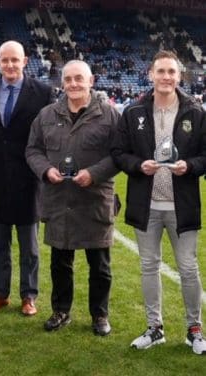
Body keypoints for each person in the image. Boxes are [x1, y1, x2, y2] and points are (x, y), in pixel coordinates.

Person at [111, 50, 206, 354]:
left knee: (189, 268)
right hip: (146, 204)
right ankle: (155, 328)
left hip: (183, 204)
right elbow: (119, 152)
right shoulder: (134, 111)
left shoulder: (195, 111)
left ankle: (195, 330)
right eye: (161, 71)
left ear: (179, 76)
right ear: (150, 74)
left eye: (172, 72)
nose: (166, 77)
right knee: (149, 267)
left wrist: (189, 166)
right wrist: (139, 165)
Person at [26, 60, 119, 336]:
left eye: (80, 78)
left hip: (95, 199)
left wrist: (94, 173)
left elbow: (120, 154)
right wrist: (46, 170)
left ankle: (99, 315)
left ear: (91, 81)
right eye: (68, 79)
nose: (74, 84)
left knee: (100, 265)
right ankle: (60, 310)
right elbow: (32, 150)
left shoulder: (110, 115)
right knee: (60, 262)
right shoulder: (46, 115)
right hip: (59, 199)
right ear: (62, 83)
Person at [0, 40, 55, 316]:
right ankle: (0, 293)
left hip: (29, 177)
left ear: (24, 60)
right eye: (4, 60)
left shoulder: (43, 92)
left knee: (29, 245)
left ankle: (28, 295)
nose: (9, 65)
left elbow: (52, 133)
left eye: (14, 60)